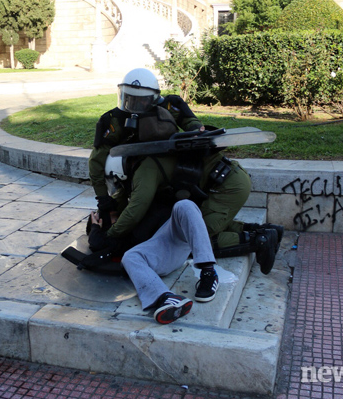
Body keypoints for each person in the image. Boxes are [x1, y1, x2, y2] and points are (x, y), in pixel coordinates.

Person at [88, 68, 282, 275]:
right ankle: (263, 230)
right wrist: (103, 200)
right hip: (220, 178)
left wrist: (109, 236)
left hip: (225, 185)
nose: (135, 105)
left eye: (142, 100)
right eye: (130, 98)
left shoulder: (147, 165)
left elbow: (137, 207)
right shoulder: (117, 123)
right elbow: (97, 162)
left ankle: (259, 240)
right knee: (194, 224)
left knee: (192, 239)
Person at [91, 199, 217, 324]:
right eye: (113, 217)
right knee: (129, 257)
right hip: (159, 252)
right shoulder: (115, 236)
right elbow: (96, 243)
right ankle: (166, 298)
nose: (119, 217)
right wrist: (95, 227)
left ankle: (209, 272)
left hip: (172, 233)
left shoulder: (132, 208)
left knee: (185, 205)